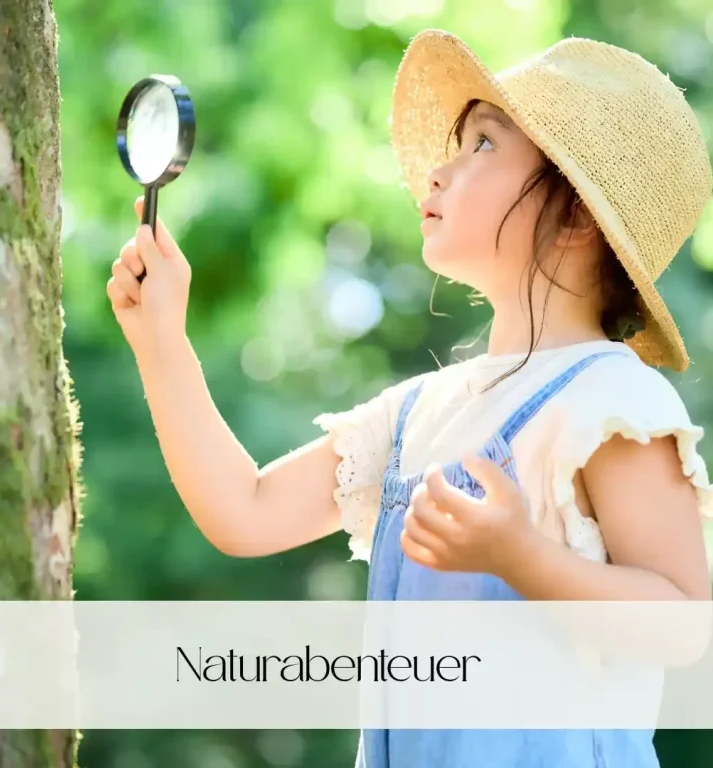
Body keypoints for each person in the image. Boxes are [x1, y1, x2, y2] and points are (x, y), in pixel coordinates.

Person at [106, 29, 713, 768]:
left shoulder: (611, 402)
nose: (438, 171)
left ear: (579, 216)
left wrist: (524, 558)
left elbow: (684, 621)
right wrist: (161, 341)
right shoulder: (417, 413)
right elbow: (246, 511)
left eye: (483, 146)